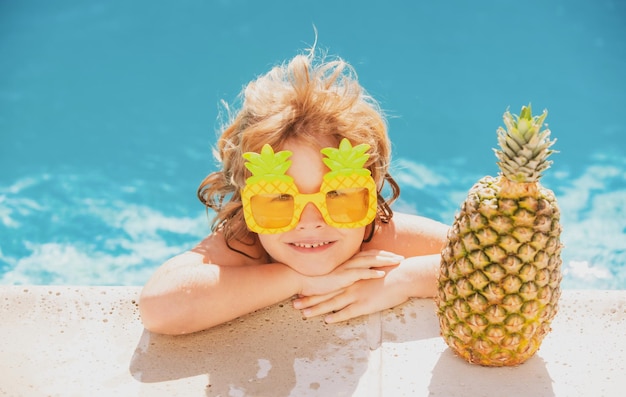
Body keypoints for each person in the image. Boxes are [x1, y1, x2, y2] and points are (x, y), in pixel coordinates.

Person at [139, 48, 449, 335]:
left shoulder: (377, 237)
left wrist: (404, 279)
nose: (310, 220)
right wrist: (298, 280)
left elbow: (496, 260)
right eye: (280, 198)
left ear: (370, 195)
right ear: (247, 205)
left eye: (338, 194)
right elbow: (160, 308)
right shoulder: (246, 243)